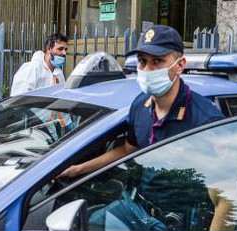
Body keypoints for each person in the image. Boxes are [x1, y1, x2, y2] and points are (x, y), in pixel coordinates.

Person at [60, 25, 223, 178]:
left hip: (180, 207)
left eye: (157, 61)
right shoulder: (140, 105)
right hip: (137, 202)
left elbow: (222, 185)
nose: (146, 70)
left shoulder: (206, 119)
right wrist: (79, 169)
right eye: (142, 61)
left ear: (180, 65)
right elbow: (128, 149)